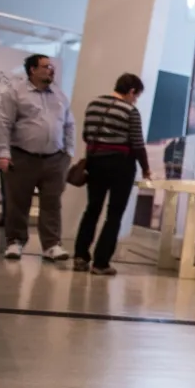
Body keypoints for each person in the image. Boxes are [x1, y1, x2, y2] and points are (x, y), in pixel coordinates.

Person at [0, 54, 76, 261]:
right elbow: (3, 123)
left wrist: (68, 153)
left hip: (55, 159)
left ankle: (51, 245)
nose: (51, 70)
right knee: (18, 202)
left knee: (52, 203)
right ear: (33, 69)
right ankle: (15, 242)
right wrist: (3, 154)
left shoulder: (59, 95)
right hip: (22, 156)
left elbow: (69, 124)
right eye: (46, 66)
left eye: (52, 66)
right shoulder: (15, 92)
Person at [73, 73, 151, 275]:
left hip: (95, 162)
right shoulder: (130, 111)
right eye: (136, 96)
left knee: (92, 209)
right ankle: (101, 263)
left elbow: (85, 135)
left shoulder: (93, 105)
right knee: (114, 214)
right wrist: (146, 169)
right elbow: (137, 144)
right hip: (121, 165)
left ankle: (80, 256)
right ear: (131, 91)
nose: (135, 100)